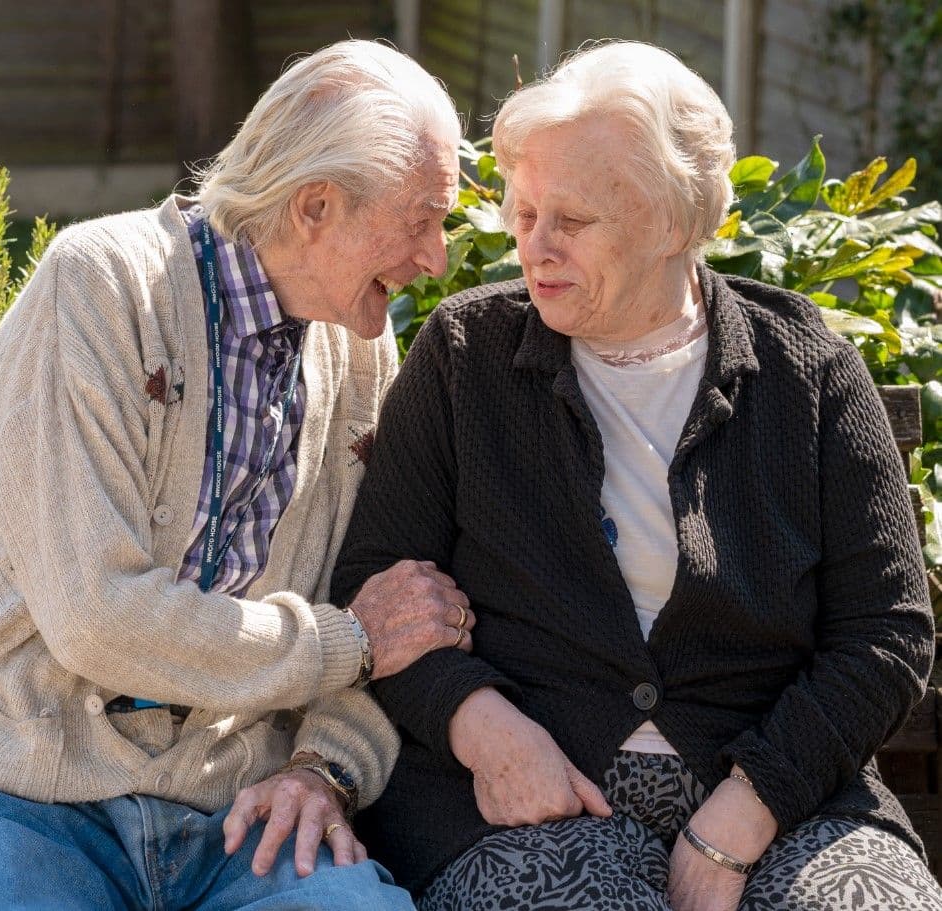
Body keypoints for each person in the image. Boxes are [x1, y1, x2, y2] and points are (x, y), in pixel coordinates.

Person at [331, 40, 942, 911]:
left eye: (570, 221)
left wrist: (747, 810)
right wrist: (485, 729)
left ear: (669, 221)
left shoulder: (806, 368)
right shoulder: (466, 356)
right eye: (524, 212)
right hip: (531, 799)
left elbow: (885, 634)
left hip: (781, 793)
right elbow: (374, 585)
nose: (532, 247)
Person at [0, 40, 476, 911]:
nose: (437, 256)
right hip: (13, 784)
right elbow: (97, 614)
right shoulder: (99, 288)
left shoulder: (359, 345)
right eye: (421, 218)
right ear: (315, 206)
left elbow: (395, 605)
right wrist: (348, 642)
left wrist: (324, 767)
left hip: (232, 810)